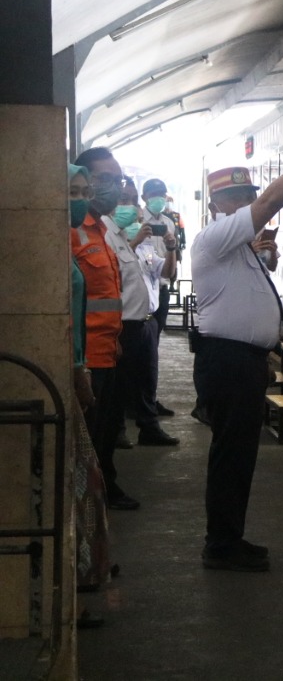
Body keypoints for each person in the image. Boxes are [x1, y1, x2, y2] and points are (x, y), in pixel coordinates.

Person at [191, 129, 283, 572]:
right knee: (232, 455)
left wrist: (265, 258)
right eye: (235, 197)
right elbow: (271, 203)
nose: (244, 204)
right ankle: (221, 544)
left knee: (238, 455)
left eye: (246, 195)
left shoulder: (236, 247)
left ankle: (228, 537)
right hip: (227, 360)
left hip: (240, 362)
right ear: (217, 206)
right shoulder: (213, 238)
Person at [70, 147, 136, 510]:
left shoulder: (100, 230)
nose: (113, 187)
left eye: (118, 178)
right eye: (104, 179)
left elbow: (108, 294)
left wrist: (117, 340)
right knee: (90, 437)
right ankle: (90, 507)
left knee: (106, 432)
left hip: (107, 349)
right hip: (86, 356)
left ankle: (104, 491)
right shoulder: (71, 230)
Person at [68, 164, 112, 627]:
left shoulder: (89, 232)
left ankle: (81, 577)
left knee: (84, 480)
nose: (80, 198)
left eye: (84, 191)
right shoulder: (56, 242)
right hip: (72, 372)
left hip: (85, 364)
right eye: (72, 191)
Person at [108, 180, 179, 447]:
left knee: (148, 378)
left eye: (140, 219)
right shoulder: (112, 244)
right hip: (124, 324)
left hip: (147, 322)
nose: (138, 222)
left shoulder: (148, 250)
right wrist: (135, 241)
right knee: (121, 381)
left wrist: (171, 249)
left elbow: (166, 273)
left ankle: (149, 427)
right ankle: (117, 431)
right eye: (136, 220)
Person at [139, 178, 180, 333]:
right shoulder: (138, 220)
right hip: (143, 289)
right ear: (144, 197)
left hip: (162, 288)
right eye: (154, 194)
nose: (159, 198)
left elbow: (171, 251)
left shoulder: (168, 222)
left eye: (162, 194)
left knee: (156, 334)